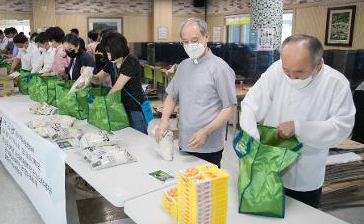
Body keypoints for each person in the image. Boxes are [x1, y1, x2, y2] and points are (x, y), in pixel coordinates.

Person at [240, 34, 356, 208]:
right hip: (269, 164)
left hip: (305, 172)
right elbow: (251, 103)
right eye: (287, 71)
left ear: (318, 65)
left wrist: (299, 127)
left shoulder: (335, 83)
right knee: (265, 214)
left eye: (299, 72)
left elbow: (342, 127)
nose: (291, 77)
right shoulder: (276, 70)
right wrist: (252, 134)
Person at [155, 18, 237, 168]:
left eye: (194, 40)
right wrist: (164, 120)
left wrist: (206, 131)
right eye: (185, 42)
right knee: (185, 186)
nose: (190, 45)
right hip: (184, 140)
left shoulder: (219, 68)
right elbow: (172, 96)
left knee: (205, 190)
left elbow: (230, 108)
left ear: (206, 37)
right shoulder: (184, 66)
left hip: (208, 145)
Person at [89, 31, 149, 134]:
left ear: (117, 49)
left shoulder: (131, 61)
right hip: (120, 106)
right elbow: (98, 78)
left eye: (109, 51)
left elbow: (117, 87)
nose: (107, 55)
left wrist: (101, 103)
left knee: (139, 138)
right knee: (125, 136)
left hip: (134, 108)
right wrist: (87, 76)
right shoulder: (112, 63)